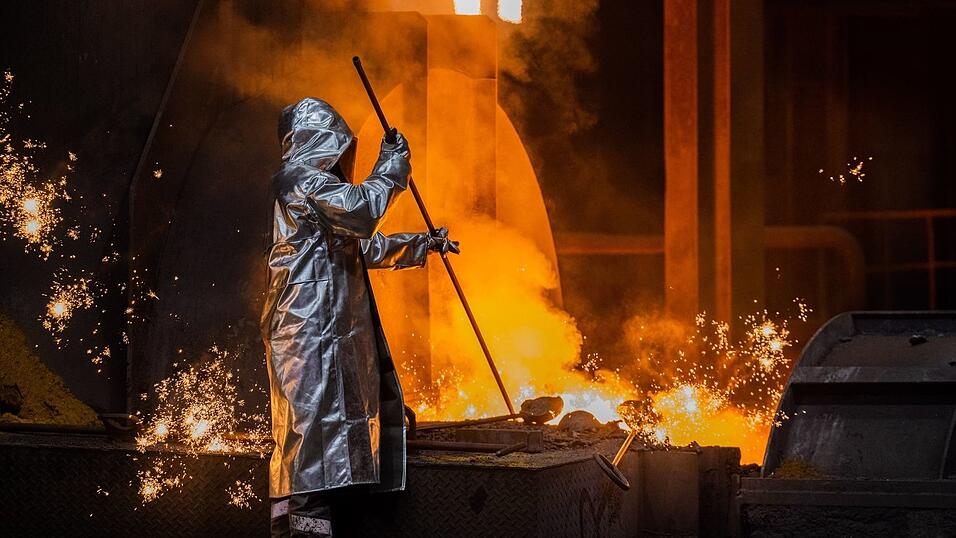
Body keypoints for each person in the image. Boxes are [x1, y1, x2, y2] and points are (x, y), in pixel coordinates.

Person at [261, 97, 458, 537]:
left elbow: (364, 246)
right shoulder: (298, 181)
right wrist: (391, 167)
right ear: (318, 143)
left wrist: (424, 244)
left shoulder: (316, 195)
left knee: (325, 448)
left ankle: (312, 528)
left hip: (325, 333)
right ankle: (296, 533)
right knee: (308, 447)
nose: (342, 158)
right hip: (306, 333)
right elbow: (363, 211)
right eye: (338, 147)